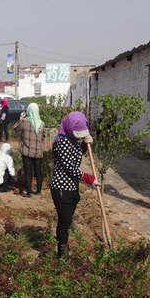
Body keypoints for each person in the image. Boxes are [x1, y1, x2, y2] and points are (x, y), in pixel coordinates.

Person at [50, 111, 99, 259]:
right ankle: (62, 256)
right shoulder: (61, 143)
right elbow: (70, 167)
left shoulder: (72, 140)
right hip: (61, 189)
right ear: (70, 127)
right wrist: (88, 179)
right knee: (64, 224)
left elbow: (75, 155)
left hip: (71, 188)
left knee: (66, 222)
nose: (79, 136)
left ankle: (62, 250)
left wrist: (84, 145)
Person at [13, 102, 45, 198]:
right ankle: (38, 191)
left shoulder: (25, 121)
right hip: (38, 152)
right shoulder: (42, 123)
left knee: (28, 172)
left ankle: (29, 193)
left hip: (26, 151)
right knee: (38, 172)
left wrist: (21, 118)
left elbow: (15, 128)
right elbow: (43, 137)